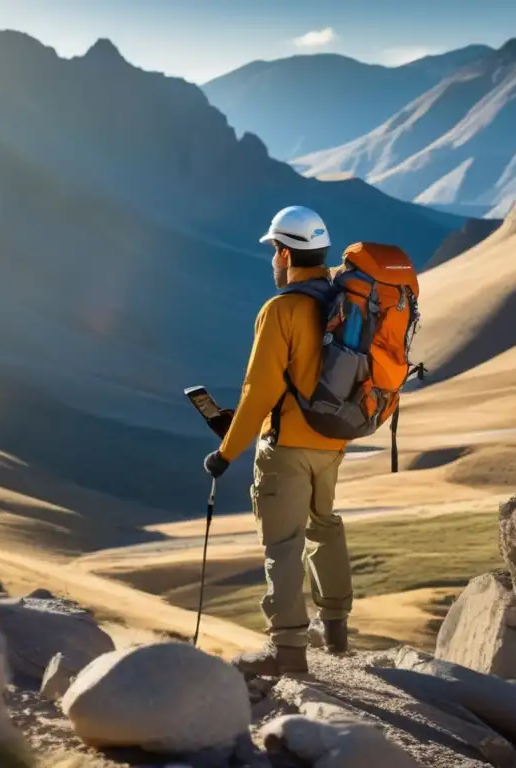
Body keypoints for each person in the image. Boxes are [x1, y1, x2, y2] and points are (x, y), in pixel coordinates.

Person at [203, 205, 353, 676]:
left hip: (286, 446)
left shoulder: (281, 309)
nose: (273, 260)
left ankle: (288, 653)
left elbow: (260, 391)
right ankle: (336, 631)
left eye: (274, 251)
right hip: (333, 441)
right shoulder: (340, 301)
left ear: (286, 253)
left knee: (283, 544)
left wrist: (226, 451)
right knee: (324, 526)